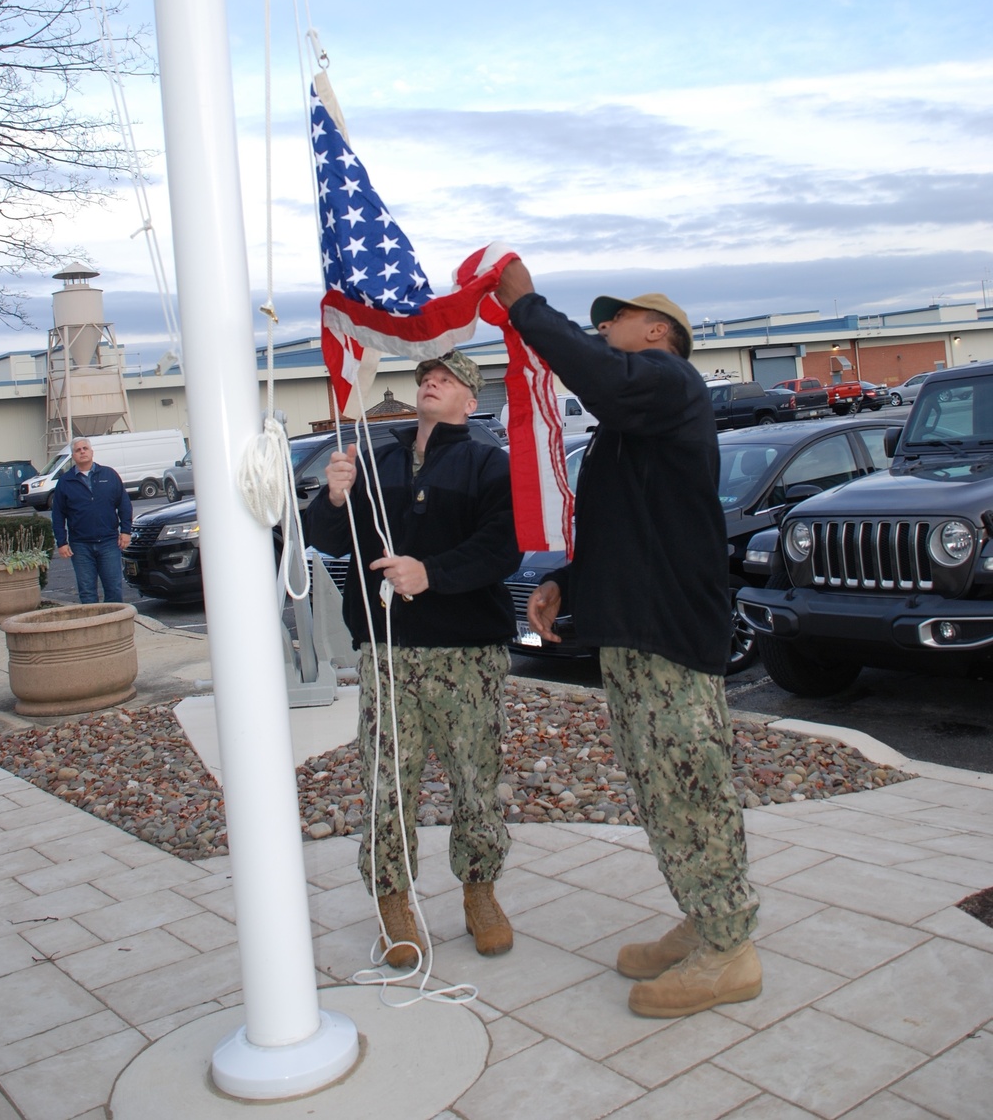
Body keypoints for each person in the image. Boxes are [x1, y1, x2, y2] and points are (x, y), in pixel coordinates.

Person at [496, 261, 761, 1020]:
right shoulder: (631, 424)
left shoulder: (668, 383)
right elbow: (625, 531)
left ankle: (731, 945)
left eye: (615, 319)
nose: (602, 327)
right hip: (634, 633)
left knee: (690, 787)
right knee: (658, 789)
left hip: (669, 635)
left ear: (658, 334)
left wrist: (528, 308)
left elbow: (600, 375)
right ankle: (705, 915)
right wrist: (566, 585)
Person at [303, 350, 521, 965]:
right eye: (427, 376)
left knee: (475, 779)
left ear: (470, 402)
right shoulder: (376, 461)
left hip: (466, 653)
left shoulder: (488, 464)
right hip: (390, 652)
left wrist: (431, 574)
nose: (432, 383)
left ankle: (480, 892)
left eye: (447, 379)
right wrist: (334, 499)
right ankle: (393, 901)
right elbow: (324, 538)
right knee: (388, 782)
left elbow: (501, 548)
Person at [52, 437, 133, 604]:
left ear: (91, 452)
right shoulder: (65, 482)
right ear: (73, 456)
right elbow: (58, 514)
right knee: (87, 592)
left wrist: (126, 531)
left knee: (114, 590)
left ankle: (114, 627)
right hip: (81, 546)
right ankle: (94, 627)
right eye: (77, 450)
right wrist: (62, 542)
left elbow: (124, 504)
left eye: (85, 448)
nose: (82, 451)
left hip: (109, 542)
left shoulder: (109, 475)